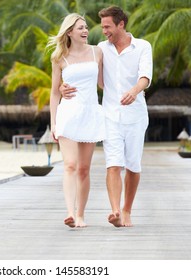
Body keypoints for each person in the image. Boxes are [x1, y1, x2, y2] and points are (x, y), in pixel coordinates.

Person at [61, 6, 153, 227]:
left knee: (132, 165)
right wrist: (64, 88)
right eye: (102, 27)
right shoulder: (101, 49)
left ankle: (127, 209)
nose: (103, 31)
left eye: (107, 27)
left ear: (121, 24)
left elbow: (145, 77)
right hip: (110, 115)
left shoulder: (142, 46)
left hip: (136, 115)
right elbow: (91, 77)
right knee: (113, 164)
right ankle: (115, 212)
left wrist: (134, 91)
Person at [48, 13, 106, 228]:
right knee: (70, 165)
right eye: (80, 28)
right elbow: (55, 93)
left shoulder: (97, 52)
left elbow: (103, 84)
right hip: (68, 115)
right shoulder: (59, 58)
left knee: (84, 168)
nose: (85, 31)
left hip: (90, 114)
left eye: (86, 27)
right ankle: (70, 213)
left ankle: (81, 214)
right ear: (69, 32)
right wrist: (53, 123)